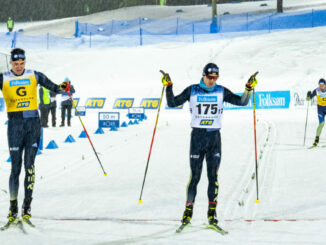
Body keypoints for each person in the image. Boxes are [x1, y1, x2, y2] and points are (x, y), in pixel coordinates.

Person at [163, 63, 257, 229]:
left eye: (215, 78)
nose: (212, 81)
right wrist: (169, 86)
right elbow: (172, 103)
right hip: (197, 138)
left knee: (213, 177)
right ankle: (187, 213)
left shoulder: (221, 90)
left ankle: (212, 214)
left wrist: (248, 88)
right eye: (209, 77)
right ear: (203, 75)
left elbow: (241, 102)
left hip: (214, 138)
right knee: (195, 177)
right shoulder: (192, 90)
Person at [0, 48, 70, 229]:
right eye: (15, 64)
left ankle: (27, 208)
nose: (18, 67)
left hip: (32, 125)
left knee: (29, 166)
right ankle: (13, 208)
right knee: (15, 168)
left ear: (25, 62)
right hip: (15, 126)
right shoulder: (3, 78)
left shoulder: (35, 75)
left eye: (22, 63)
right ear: (11, 63)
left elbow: (54, 87)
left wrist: (65, 87)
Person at [306, 78, 326, 147]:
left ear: (325, 85)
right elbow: (308, 99)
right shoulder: (316, 90)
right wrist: (308, 96)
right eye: (320, 85)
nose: (321, 86)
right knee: (321, 124)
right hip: (320, 109)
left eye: (322, 85)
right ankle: (316, 140)